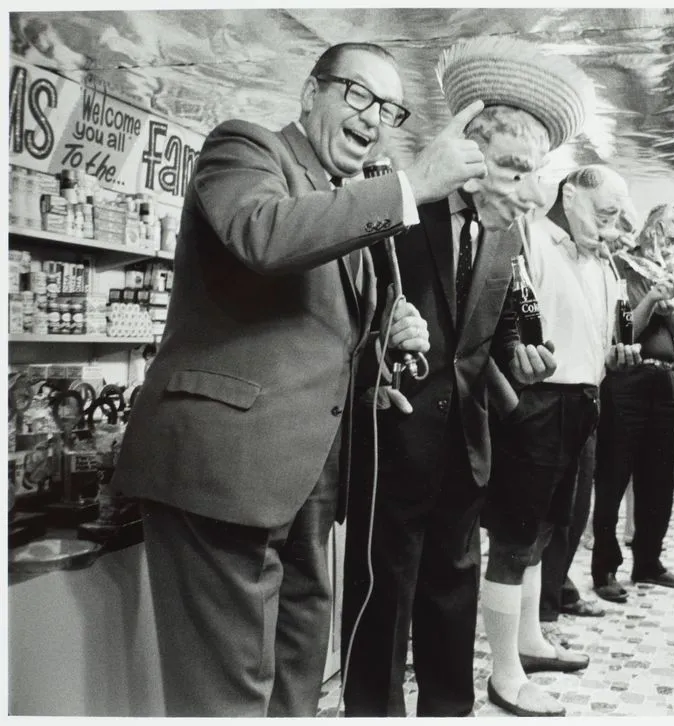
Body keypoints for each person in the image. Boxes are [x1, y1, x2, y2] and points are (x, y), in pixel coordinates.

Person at [108, 42, 486, 717]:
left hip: (310, 483)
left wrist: (380, 353)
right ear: (312, 93)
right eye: (358, 95)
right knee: (226, 692)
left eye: (389, 109)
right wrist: (409, 187)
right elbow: (263, 237)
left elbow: (316, 342)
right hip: (224, 474)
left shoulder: (345, 202)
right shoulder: (245, 151)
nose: (374, 117)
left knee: (298, 675)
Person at [340, 37, 591, 718]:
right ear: (470, 158)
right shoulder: (395, 206)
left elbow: (495, 324)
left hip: (463, 452)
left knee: (451, 603)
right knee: (382, 605)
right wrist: (381, 341)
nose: (530, 191)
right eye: (514, 169)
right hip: (392, 442)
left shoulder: (507, 233)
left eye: (535, 172)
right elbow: (344, 315)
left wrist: (517, 355)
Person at [482, 164, 638, 717]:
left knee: (547, 531)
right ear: (569, 194)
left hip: (583, 401)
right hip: (540, 401)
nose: (612, 224)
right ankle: (504, 674)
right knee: (513, 538)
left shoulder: (600, 262)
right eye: (605, 211)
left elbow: (596, 335)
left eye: (617, 215)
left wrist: (613, 356)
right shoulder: (529, 234)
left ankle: (527, 641)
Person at [591, 203, 674, 604]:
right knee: (614, 477)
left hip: (664, 379)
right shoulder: (620, 265)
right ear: (650, 228)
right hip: (624, 377)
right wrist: (652, 298)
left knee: (658, 481)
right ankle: (604, 569)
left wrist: (670, 311)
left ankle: (648, 561)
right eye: (668, 232)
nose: (672, 241)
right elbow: (623, 328)